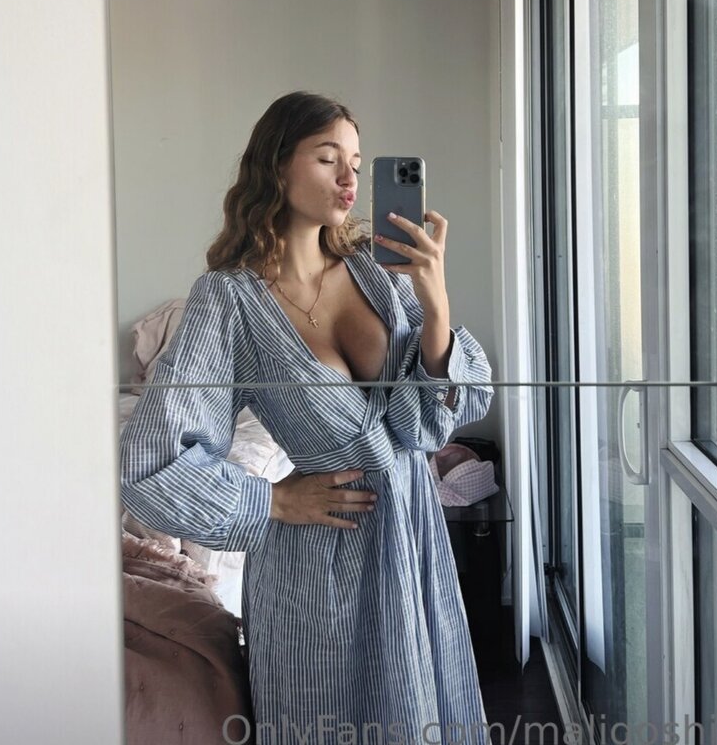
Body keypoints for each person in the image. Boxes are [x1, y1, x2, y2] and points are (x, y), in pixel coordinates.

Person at [120, 90, 496, 745]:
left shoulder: (378, 274)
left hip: (412, 539)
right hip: (316, 565)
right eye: (328, 158)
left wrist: (435, 304)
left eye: (357, 162)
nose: (350, 177)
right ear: (277, 166)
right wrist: (270, 500)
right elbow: (150, 461)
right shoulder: (230, 299)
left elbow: (429, 425)